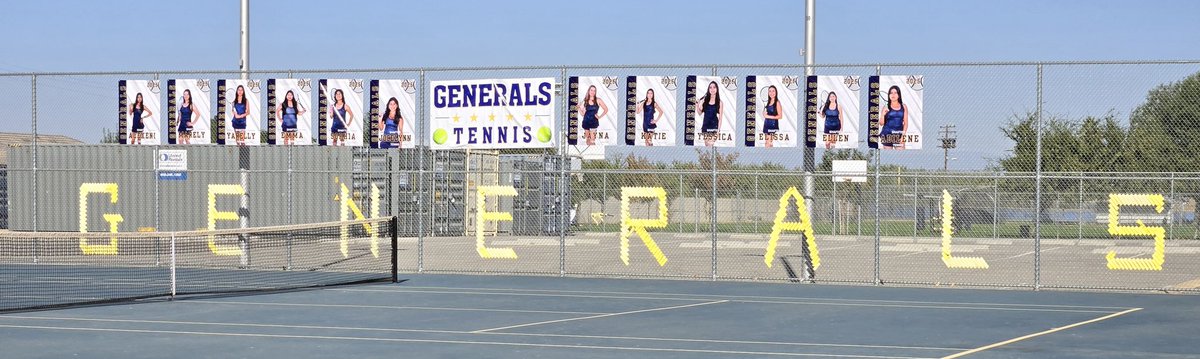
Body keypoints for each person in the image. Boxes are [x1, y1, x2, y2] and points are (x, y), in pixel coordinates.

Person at [695, 81, 725, 146]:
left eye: (714, 87)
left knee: (710, 145)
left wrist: (718, 131)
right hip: (705, 126)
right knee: (707, 146)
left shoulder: (720, 102)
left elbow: (720, 118)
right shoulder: (705, 100)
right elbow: (700, 113)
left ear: (717, 89)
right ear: (708, 90)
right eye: (710, 88)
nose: (712, 89)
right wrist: (697, 104)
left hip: (713, 127)